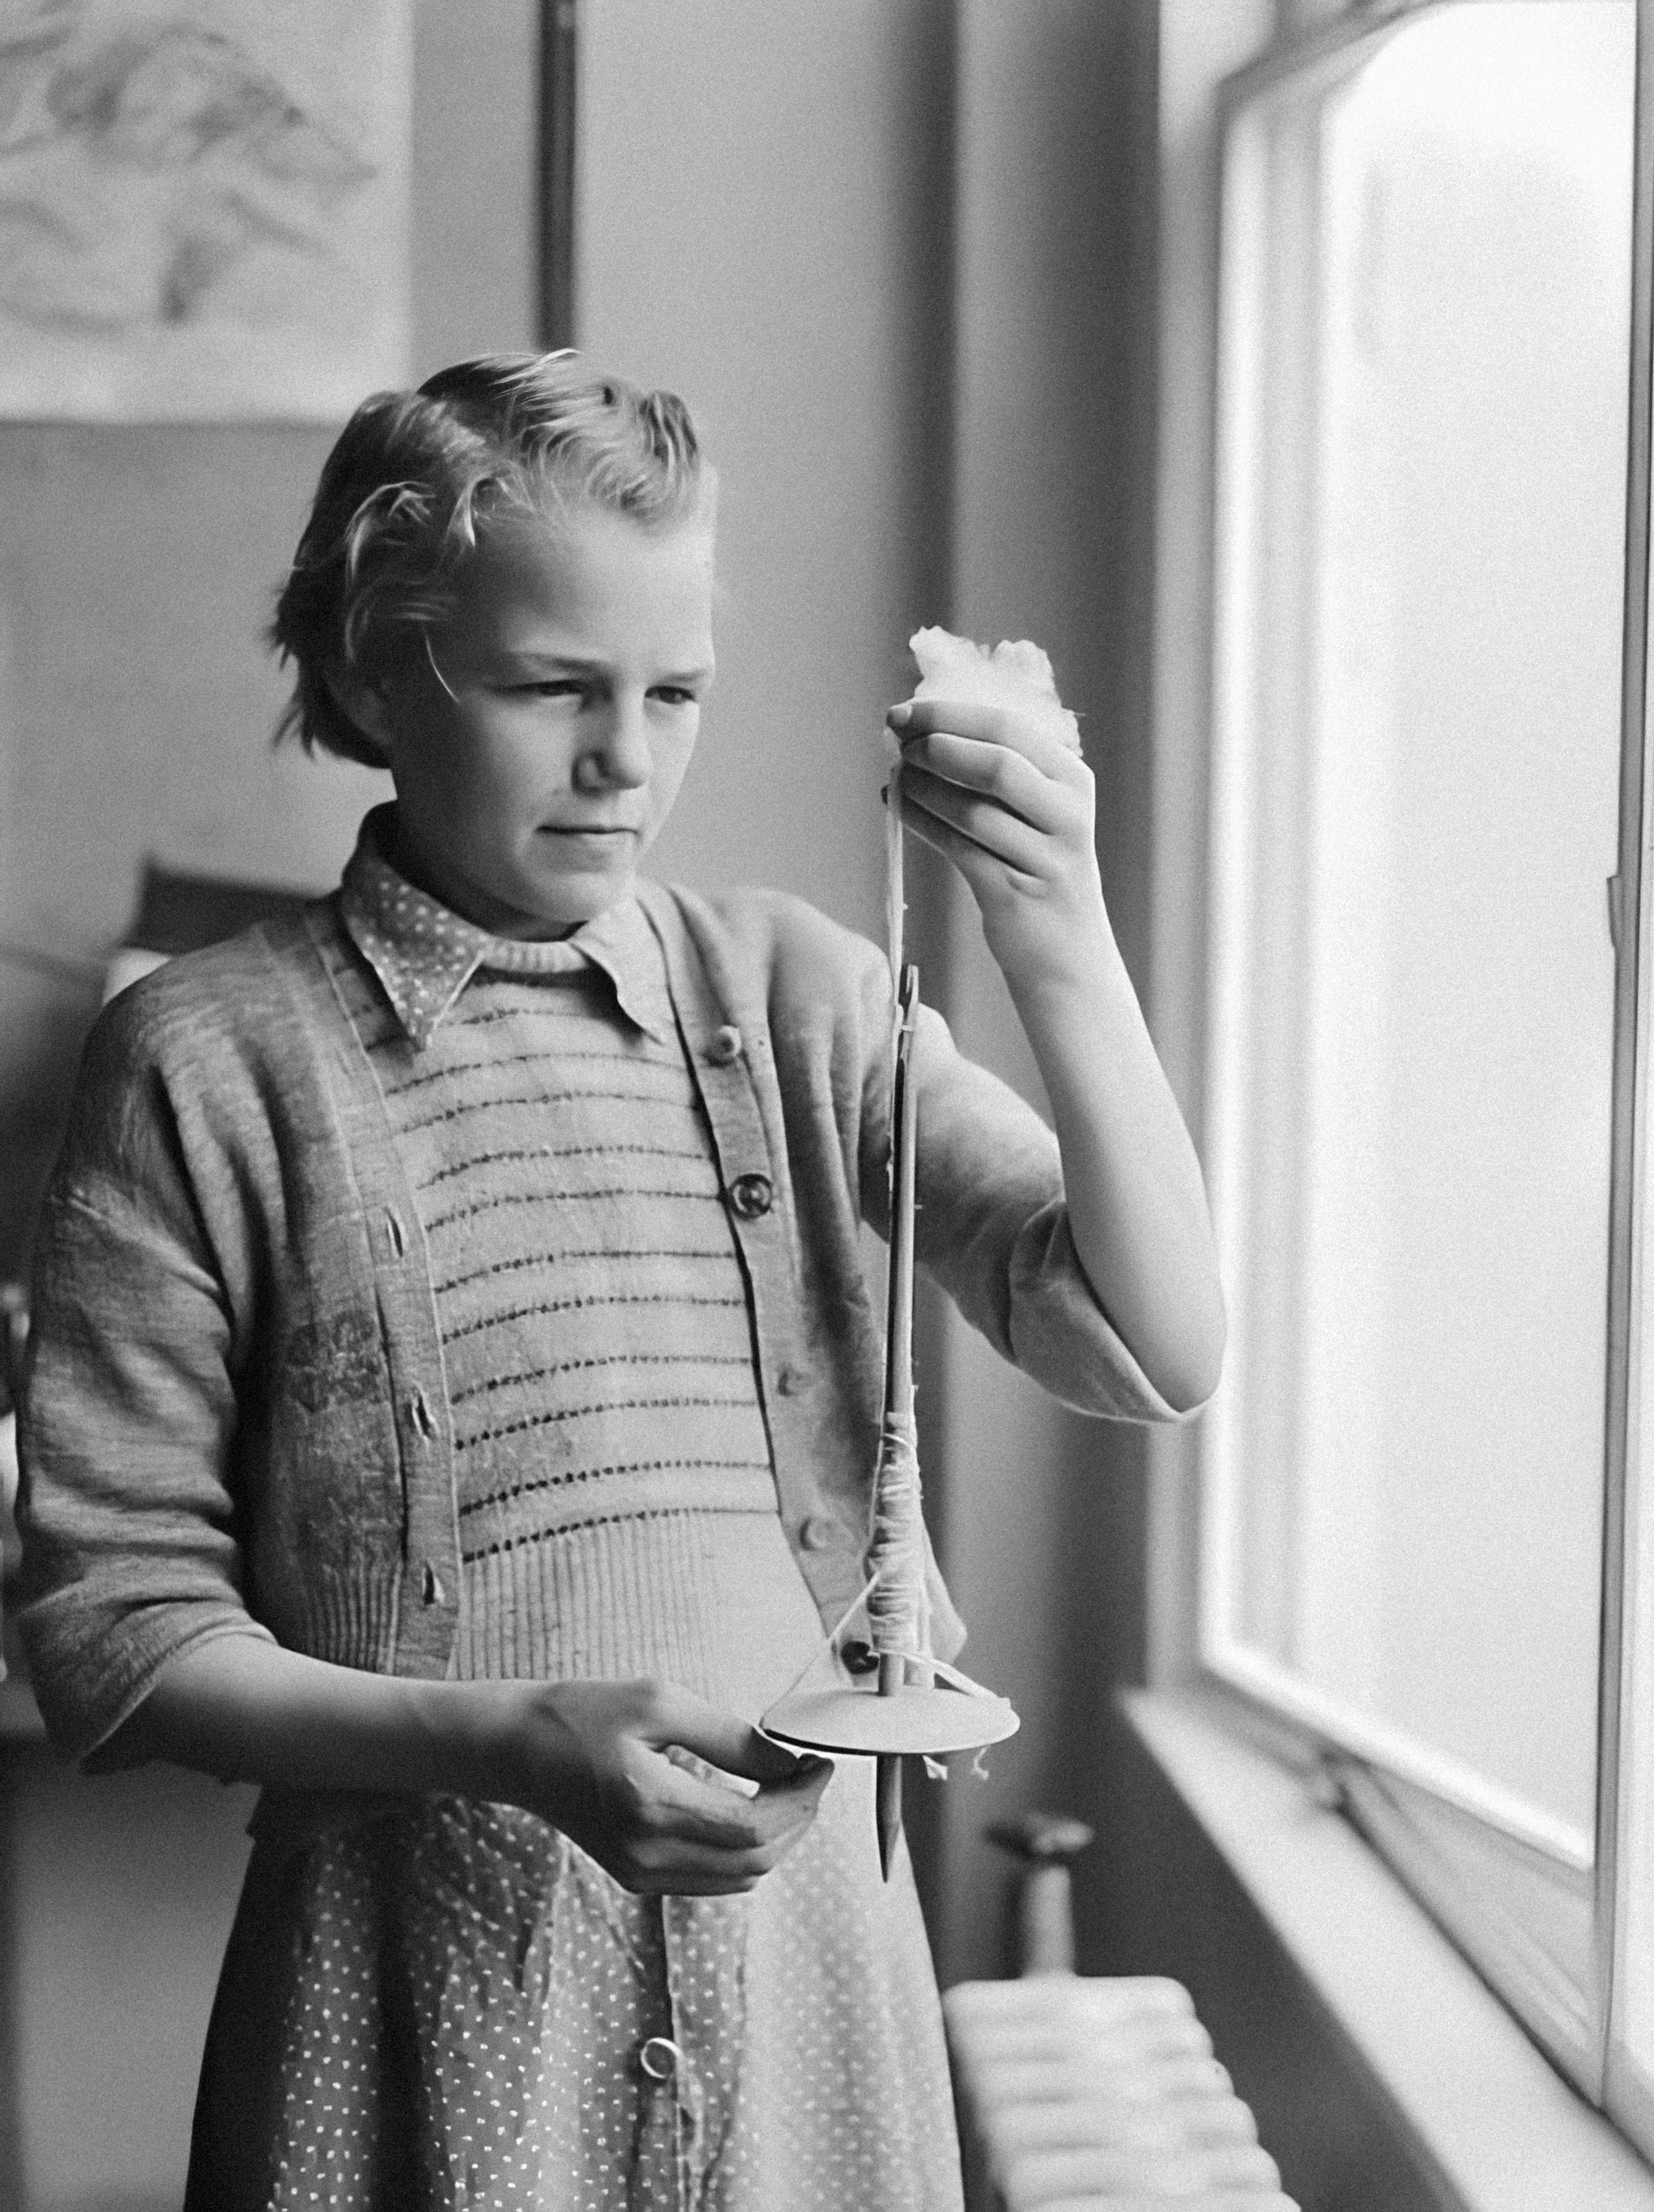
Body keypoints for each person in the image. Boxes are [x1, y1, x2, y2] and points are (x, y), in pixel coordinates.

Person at [16, 351, 1225, 2212]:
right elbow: (116, 1623)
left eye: (674, 693)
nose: (625, 761)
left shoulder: (800, 1000)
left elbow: (1159, 1342)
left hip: (807, 1993)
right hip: (407, 2006)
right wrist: (503, 1741)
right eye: (549, 688)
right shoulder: (202, 1055)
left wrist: (1053, 927)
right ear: (364, 674)